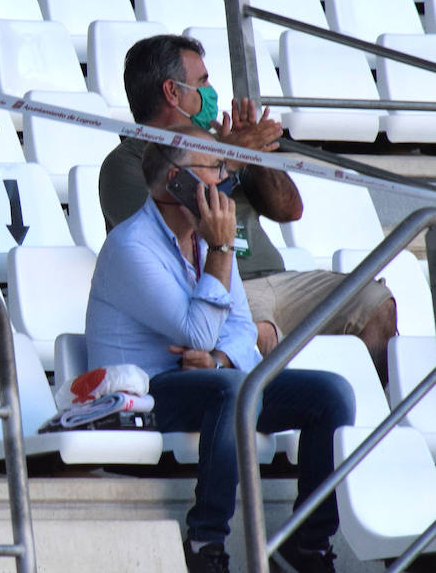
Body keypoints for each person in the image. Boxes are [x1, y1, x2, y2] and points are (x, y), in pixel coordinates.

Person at [87, 132, 355, 573]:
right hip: (143, 392)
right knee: (230, 392)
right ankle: (206, 544)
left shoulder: (203, 241)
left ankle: (308, 542)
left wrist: (218, 360)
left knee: (330, 394)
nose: (227, 179)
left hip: (207, 382)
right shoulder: (132, 245)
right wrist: (221, 248)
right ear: (177, 181)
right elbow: (198, 330)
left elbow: (240, 330)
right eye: (215, 169)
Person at [99, 34, 396, 381]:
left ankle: (379, 424)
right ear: (172, 92)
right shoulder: (124, 164)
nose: (211, 92)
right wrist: (227, 155)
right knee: (259, 333)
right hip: (219, 287)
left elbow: (290, 210)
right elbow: (167, 228)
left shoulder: (222, 140)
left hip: (279, 278)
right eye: (202, 82)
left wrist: (255, 156)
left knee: (375, 302)